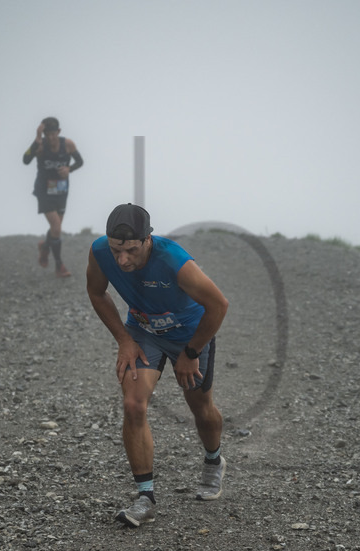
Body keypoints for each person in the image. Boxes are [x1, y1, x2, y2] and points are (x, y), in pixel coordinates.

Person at [86, 203, 230, 528]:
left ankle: (213, 460)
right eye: (116, 250)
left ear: (147, 240)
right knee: (133, 404)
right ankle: (145, 498)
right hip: (143, 332)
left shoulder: (174, 261)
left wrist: (191, 352)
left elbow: (219, 305)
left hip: (189, 335)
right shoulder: (99, 251)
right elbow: (96, 292)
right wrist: (124, 340)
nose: (122, 260)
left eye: (131, 251)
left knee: (201, 408)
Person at [22, 116, 83, 277]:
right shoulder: (40, 145)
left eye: (53, 134)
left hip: (61, 191)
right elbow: (25, 159)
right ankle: (59, 266)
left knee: (56, 229)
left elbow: (80, 162)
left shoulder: (68, 144)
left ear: (58, 131)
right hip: (44, 191)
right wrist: (36, 139)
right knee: (56, 228)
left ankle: (45, 247)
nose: (50, 138)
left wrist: (69, 169)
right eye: (46, 134)